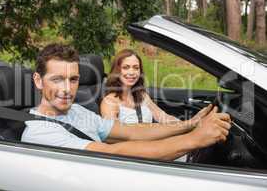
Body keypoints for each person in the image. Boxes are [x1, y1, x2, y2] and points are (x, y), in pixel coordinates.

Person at [21, 43, 231, 161]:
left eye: (73, 79)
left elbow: (132, 132)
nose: (67, 89)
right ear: (38, 81)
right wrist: (195, 139)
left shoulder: (76, 110)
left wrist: (190, 125)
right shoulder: (40, 132)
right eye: (57, 79)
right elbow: (111, 152)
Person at [101, 49, 184, 124]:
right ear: (117, 71)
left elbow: (164, 117)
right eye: (126, 67)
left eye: (136, 68)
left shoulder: (142, 95)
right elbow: (116, 134)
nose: (132, 72)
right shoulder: (109, 103)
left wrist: (186, 125)